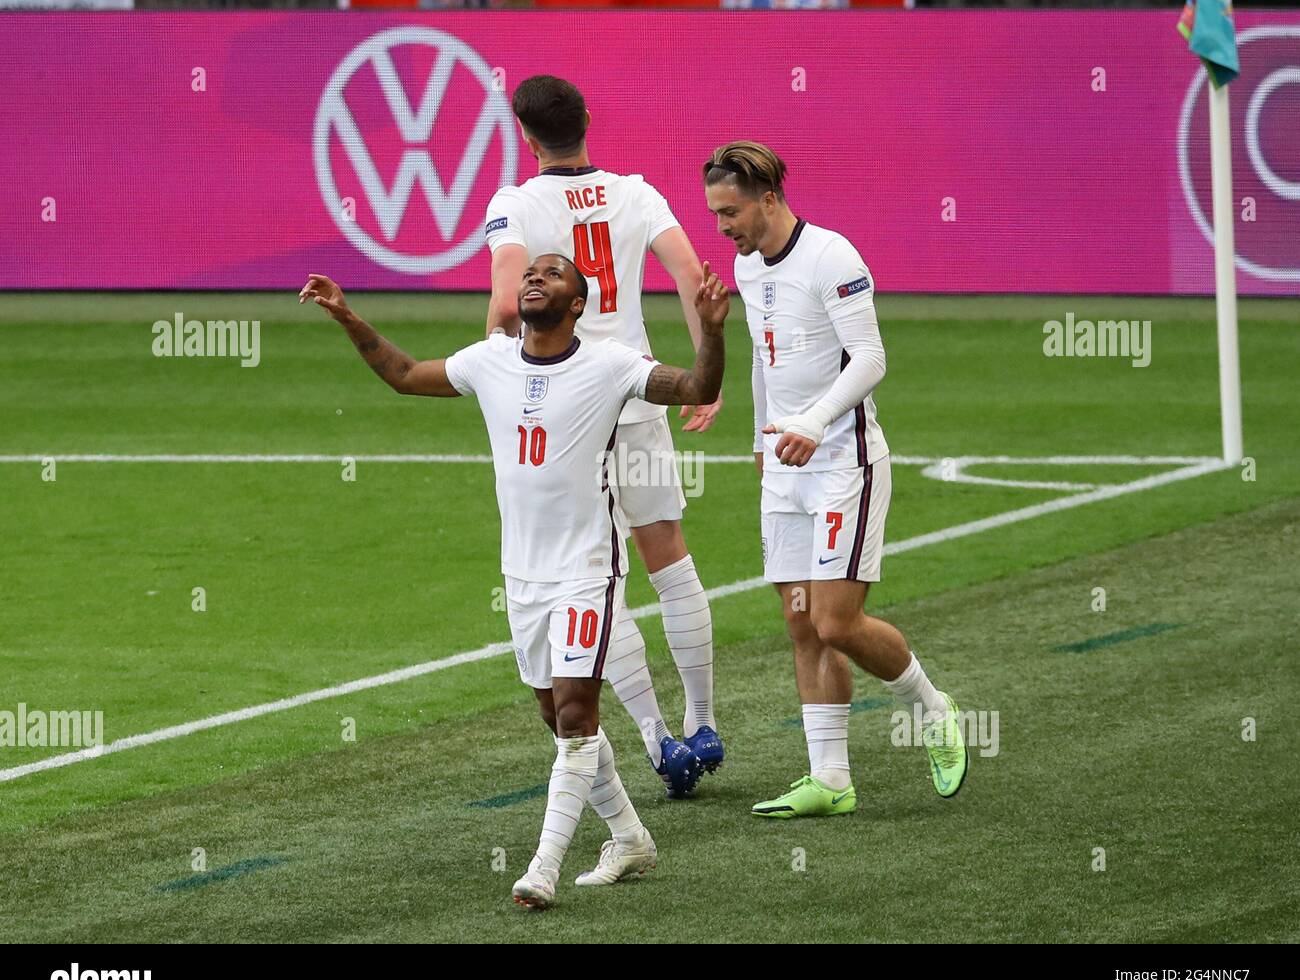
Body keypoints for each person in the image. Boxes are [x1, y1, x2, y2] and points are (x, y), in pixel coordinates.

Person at [300, 254, 728, 907]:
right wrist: (349, 316)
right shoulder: (490, 359)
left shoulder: (610, 364)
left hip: (587, 569)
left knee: (580, 712)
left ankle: (543, 867)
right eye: (531, 273)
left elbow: (695, 388)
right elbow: (408, 375)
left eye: (553, 275)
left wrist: (714, 331)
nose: (534, 278)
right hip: (522, 576)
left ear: (578, 303)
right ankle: (630, 837)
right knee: (557, 716)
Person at [702, 141, 967, 819]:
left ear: (768, 197)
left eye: (731, 210)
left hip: (843, 461)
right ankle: (831, 778)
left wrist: (816, 421)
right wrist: (759, 437)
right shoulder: (746, 266)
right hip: (784, 466)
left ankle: (934, 709)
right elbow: (766, 361)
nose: (723, 226)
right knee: (800, 626)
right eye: (716, 213)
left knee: (835, 619)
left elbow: (872, 358)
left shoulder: (832, 258)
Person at [484, 75, 723, 796]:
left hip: (566, 411)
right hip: (639, 391)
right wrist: (705, 367)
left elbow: (503, 296)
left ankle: (657, 740)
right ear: (589, 118)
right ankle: (704, 719)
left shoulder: (516, 203)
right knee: (668, 556)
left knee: (592, 577)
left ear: (526, 137)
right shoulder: (636, 192)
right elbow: (690, 272)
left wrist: (499, 367)